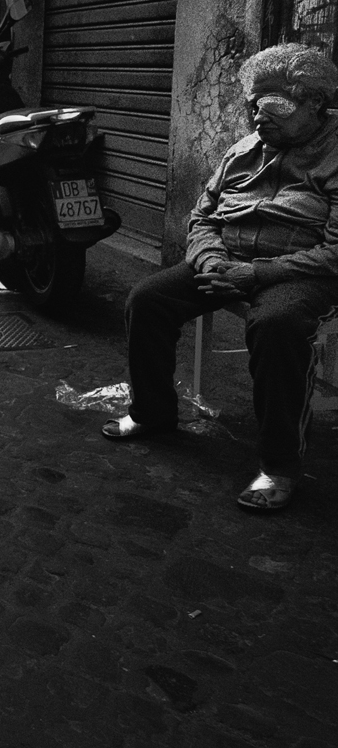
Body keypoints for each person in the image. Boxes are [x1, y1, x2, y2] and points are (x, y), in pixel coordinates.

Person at [103, 44, 338, 512]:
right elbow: (203, 217)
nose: (256, 117)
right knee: (147, 299)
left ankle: (279, 466)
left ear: (315, 104)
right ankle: (153, 412)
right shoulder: (245, 150)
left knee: (276, 327)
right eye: (251, 105)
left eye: (272, 106)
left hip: (304, 269)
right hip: (227, 260)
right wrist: (211, 263)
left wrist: (257, 274)